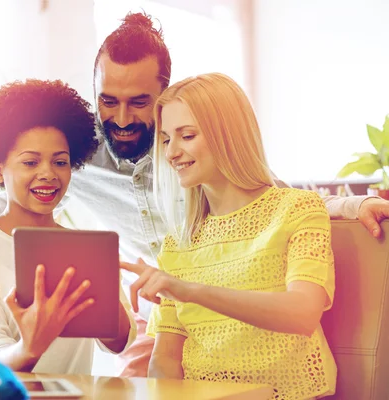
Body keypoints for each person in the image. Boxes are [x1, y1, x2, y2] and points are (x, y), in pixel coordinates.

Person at [0, 12, 389, 377]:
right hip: (155, 318)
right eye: (108, 101)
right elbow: (22, 187)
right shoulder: (74, 149)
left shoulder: (194, 152)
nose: (122, 118)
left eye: (140, 103)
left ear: (164, 94)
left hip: (199, 310)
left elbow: (267, 195)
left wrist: (353, 203)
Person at [123, 72, 335, 399]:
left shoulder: (297, 209)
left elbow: (303, 313)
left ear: (227, 135)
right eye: (166, 139)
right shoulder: (177, 245)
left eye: (187, 135)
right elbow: (165, 360)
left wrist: (189, 291)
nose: (171, 153)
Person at [0, 79, 135, 374]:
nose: (48, 174)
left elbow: (119, 343)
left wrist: (101, 282)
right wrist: (29, 347)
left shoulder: (86, 248)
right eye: (30, 163)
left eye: (60, 162)